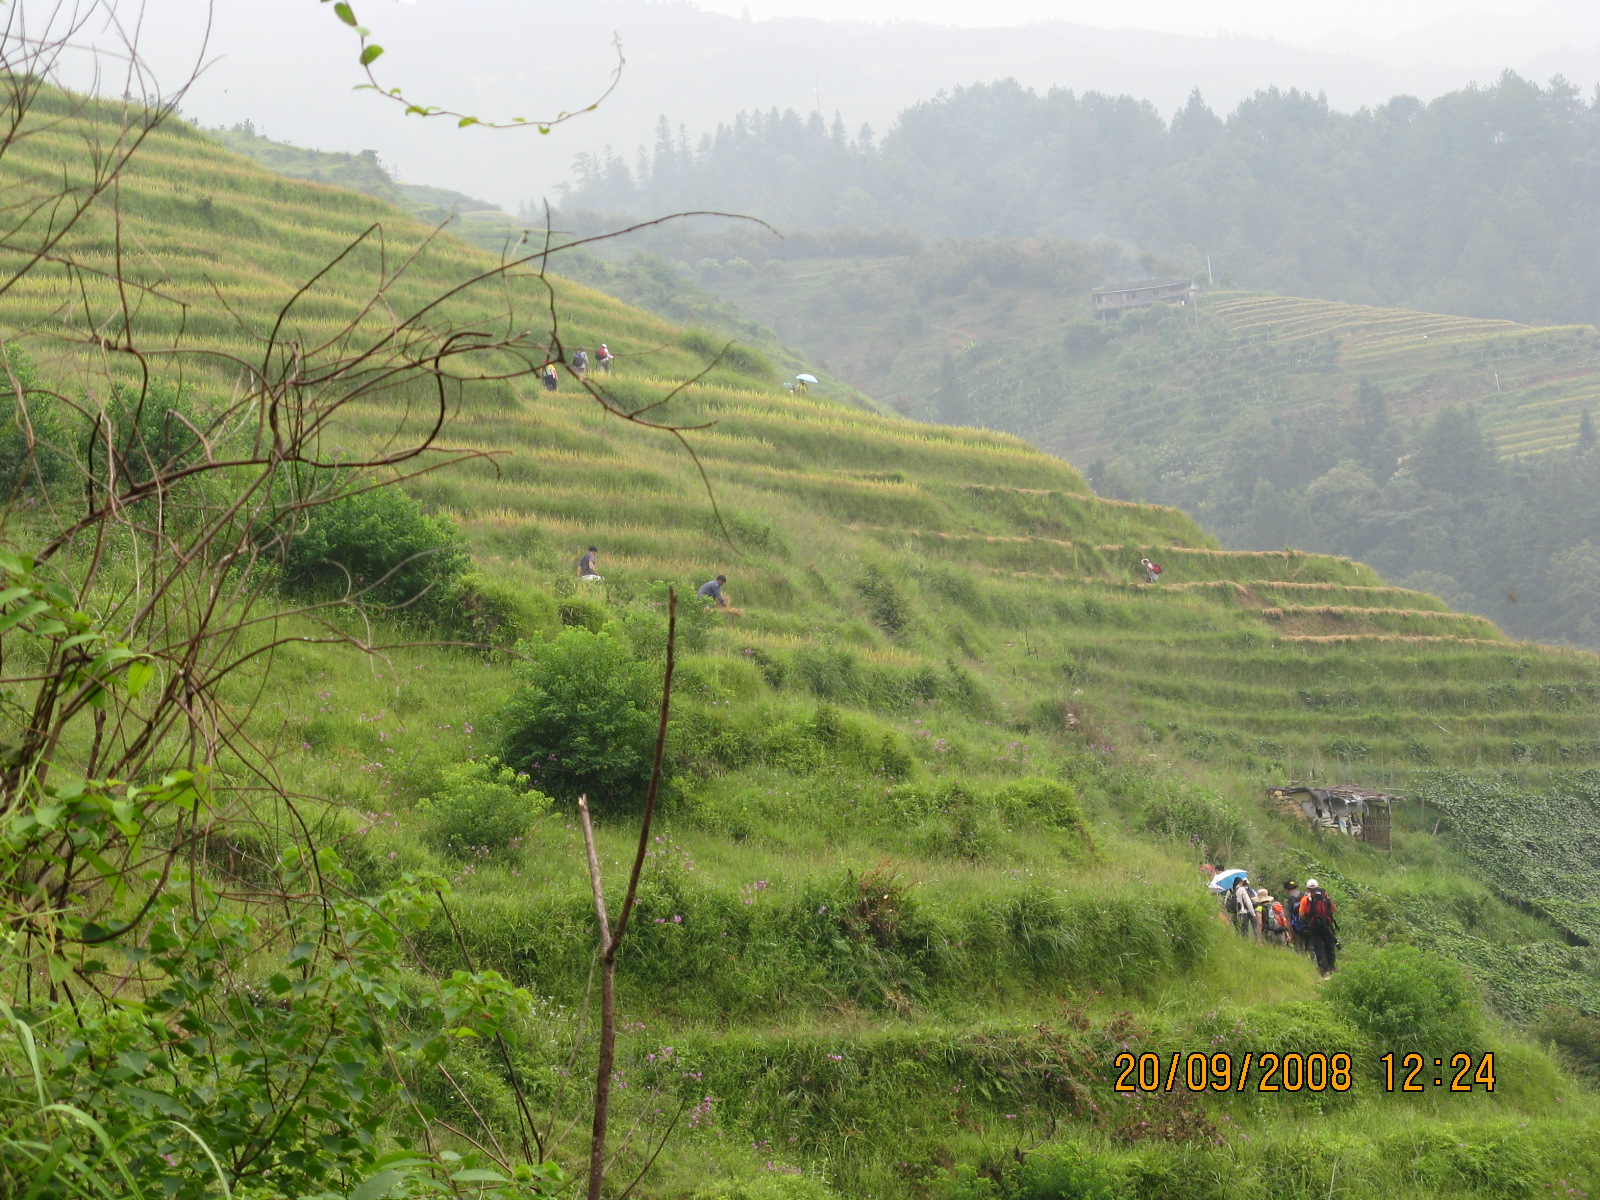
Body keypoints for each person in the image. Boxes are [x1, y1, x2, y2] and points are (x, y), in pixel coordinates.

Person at [1297, 878, 1339, 977]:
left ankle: (1325, 971)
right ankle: (1332, 967)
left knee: (1319, 948)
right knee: (1329, 946)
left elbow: (1301, 914)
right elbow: (1333, 910)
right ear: (1318, 887)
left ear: (1307, 889)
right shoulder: (1325, 896)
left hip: (1314, 926)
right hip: (1327, 925)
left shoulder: (1305, 899)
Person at [1227, 875, 1257, 941]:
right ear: (1240, 882)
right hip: (1242, 913)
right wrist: (1253, 914)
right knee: (1244, 932)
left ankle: (1239, 944)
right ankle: (1245, 945)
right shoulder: (1242, 889)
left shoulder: (1231, 891)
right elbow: (1248, 902)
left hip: (1234, 915)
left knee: (1238, 931)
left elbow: (1226, 903)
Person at [1282, 880, 1306, 951]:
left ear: (1287, 889)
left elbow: (1288, 919)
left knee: (1299, 949)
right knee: (1312, 949)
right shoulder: (1306, 895)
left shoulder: (1287, 900)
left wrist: (1290, 935)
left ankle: (1302, 961)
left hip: (1297, 928)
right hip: (1309, 926)